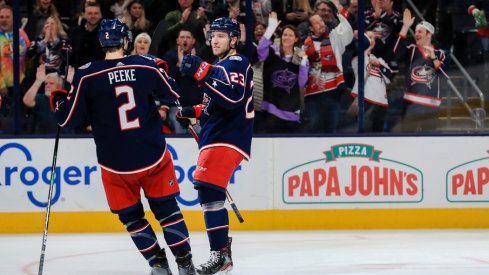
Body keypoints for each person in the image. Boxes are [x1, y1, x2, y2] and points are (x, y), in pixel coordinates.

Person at [50, 18, 196, 275]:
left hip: (115, 162)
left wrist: (59, 99)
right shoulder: (145, 65)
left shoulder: (87, 74)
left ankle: (158, 264)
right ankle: (185, 263)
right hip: (152, 154)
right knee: (167, 211)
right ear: (126, 41)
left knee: (132, 218)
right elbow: (174, 96)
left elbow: (67, 119)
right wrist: (162, 70)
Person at [177, 17, 254, 274]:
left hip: (228, 137)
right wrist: (193, 111)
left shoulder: (236, 62)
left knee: (208, 188)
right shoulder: (220, 66)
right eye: (213, 36)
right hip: (216, 135)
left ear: (233, 40)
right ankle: (223, 253)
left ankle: (220, 254)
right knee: (209, 194)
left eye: (221, 35)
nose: (215, 40)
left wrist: (202, 71)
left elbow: (233, 97)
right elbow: (213, 106)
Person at [393, 9, 448, 131]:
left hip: (431, 105)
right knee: (407, 140)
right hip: (411, 103)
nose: (416, 34)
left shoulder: (440, 53)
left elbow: (444, 74)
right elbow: (395, 54)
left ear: (429, 35)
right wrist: (405, 26)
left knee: (429, 143)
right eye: (416, 31)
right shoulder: (411, 49)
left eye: (420, 31)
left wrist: (433, 57)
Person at [256, 12, 309, 133]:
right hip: (270, 112)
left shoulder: (301, 59)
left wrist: (304, 60)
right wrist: (271, 28)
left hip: (290, 114)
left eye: (290, 35)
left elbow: (301, 83)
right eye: (285, 35)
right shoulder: (272, 53)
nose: (286, 38)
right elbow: (260, 49)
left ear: (296, 39)